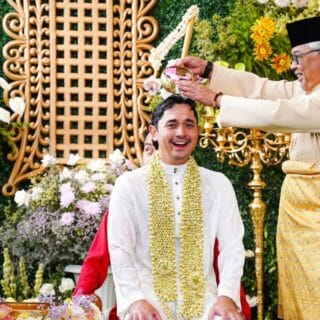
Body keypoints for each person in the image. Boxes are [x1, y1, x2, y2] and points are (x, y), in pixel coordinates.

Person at [175, 16, 320, 320]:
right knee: (298, 290)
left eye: (298, 58)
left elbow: (284, 112)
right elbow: (264, 90)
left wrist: (216, 99)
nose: (293, 66)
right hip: (297, 211)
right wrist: (211, 73)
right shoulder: (305, 91)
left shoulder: (311, 101)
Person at [108, 94, 246, 320]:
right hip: (147, 298)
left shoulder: (217, 183)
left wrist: (227, 296)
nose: (181, 132)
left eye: (189, 125)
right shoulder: (129, 185)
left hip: (204, 299)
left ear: (197, 132)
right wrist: (134, 300)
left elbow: (232, 247)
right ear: (153, 132)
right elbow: (120, 250)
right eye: (172, 125)